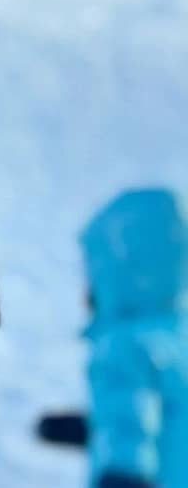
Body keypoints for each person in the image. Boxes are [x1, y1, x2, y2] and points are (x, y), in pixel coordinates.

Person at [81, 189, 188, 488]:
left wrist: (120, 474)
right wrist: (89, 428)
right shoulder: (178, 339)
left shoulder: (123, 344)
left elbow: (130, 418)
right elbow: (171, 417)